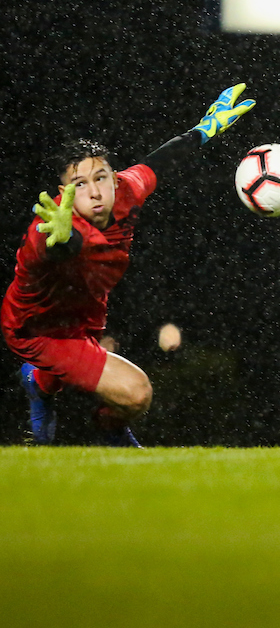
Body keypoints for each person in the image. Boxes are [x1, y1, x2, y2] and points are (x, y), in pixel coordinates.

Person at [3, 84, 256, 446]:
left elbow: (159, 162)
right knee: (137, 395)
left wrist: (205, 129)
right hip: (38, 327)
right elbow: (59, 248)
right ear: (64, 192)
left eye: (100, 177)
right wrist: (61, 240)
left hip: (84, 310)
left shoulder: (124, 189)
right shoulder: (50, 225)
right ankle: (110, 429)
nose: (94, 191)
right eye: (79, 184)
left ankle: (38, 382)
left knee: (73, 367)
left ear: (112, 176)